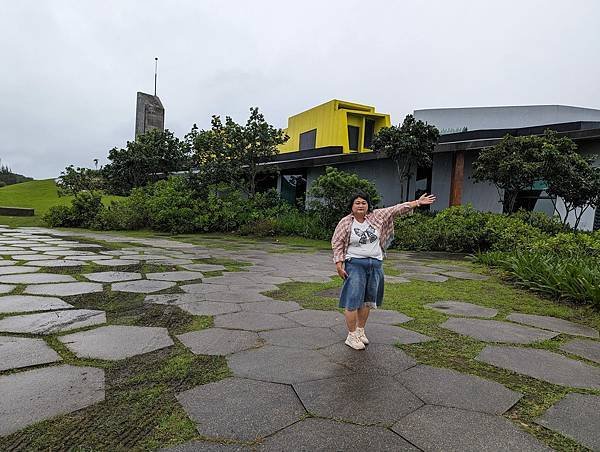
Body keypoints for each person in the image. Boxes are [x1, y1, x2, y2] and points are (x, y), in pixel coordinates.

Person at [331, 191, 436, 350]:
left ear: (368, 205)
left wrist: (418, 203)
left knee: (368, 300)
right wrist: (339, 264)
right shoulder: (346, 222)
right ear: (351, 206)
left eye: (364, 202)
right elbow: (337, 242)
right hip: (355, 264)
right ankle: (351, 335)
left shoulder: (377, 216)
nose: (361, 205)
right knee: (352, 300)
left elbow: (397, 209)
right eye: (357, 203)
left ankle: (360, 331)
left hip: (375, 264)